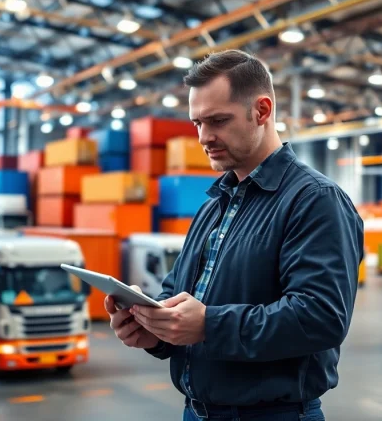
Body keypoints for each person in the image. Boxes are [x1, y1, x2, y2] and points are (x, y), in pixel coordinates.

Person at [105, 49, 364, 420]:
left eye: (218, 121)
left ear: (261, 111)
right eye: (197, 122)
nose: (203, 137)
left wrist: (208, 324)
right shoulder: (214, 205)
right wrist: (156, 331)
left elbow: (321, 317)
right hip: (197, 412)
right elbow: (178, 291)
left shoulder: (315, 201)